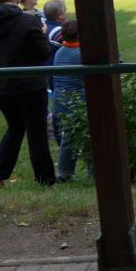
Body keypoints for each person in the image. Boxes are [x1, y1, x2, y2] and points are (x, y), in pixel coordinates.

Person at [0, 0, 55, 187]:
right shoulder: (28, 21)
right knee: (36, 132)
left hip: (1, 87)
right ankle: (45, 180)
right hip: (30, 86)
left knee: (16, 127)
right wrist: (43, 34)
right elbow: (43, 53)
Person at [53, 20, 84, 182]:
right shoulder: (81, 54)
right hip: (79, 101)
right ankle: (94, 171)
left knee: (70, 136)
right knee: (88, 134)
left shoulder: (60, 52)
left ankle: (64, 172)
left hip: (61, 101)